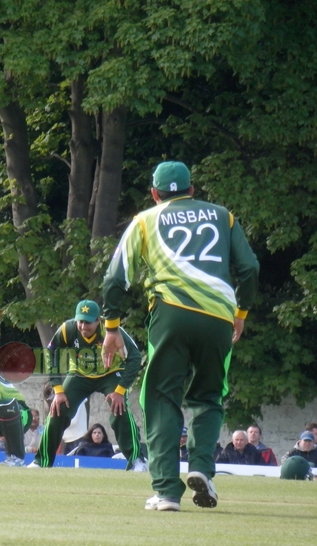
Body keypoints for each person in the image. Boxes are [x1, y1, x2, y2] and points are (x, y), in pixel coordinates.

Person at [102, 160, 259, 512]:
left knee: (160, 398)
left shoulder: (145, 220)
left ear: (155, 194)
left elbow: (115, 279)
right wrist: (241, 313)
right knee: (208, 396)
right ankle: (203, 468)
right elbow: (249, 268)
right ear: (192, 190)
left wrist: (111, 329)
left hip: (170, 314)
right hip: (219, 316)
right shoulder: (223, 215)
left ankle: (167, 492)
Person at [32, 300, 146, 471]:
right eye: (81, 321)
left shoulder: (111, 331)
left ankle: (137, 461)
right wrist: (57, 388)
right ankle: (41, 462)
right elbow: (51, 352)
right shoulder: (67, 329)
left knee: (119, 409)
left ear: (98, 320)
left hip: (110, 373)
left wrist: (121, 390)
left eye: (88, 322)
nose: (84, 326)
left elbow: (135, 357)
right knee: (58, 409)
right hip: (80, 374)